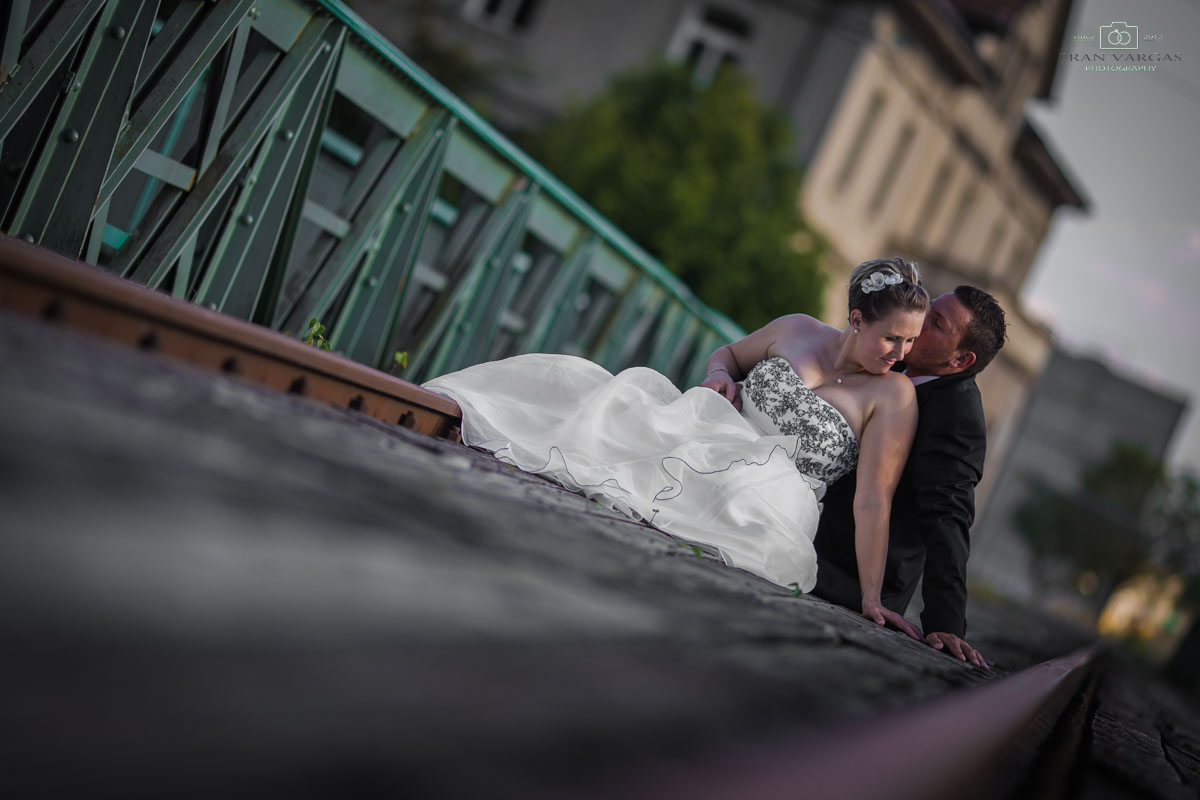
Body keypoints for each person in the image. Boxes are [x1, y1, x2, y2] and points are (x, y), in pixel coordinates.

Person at [425, 257, 928, 637]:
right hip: (710, 432)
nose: (902, 355)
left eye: (911, 343)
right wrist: (717, 378)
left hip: (776, 489)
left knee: (728, 492)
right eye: (893, 340)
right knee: (606, 400)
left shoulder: (893, 394)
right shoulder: (797, 329)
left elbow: (872, 499)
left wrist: (871, 597)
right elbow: (728, 355)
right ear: (857, 320)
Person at [810, 286, 1007, 669]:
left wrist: (945, 622)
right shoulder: (892, 354)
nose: (918, 320)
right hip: (806, 515)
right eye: (929, 307)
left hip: (846, 571)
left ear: (959, 359)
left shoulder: (958, 415)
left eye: (935, 323)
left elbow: (949, 515)